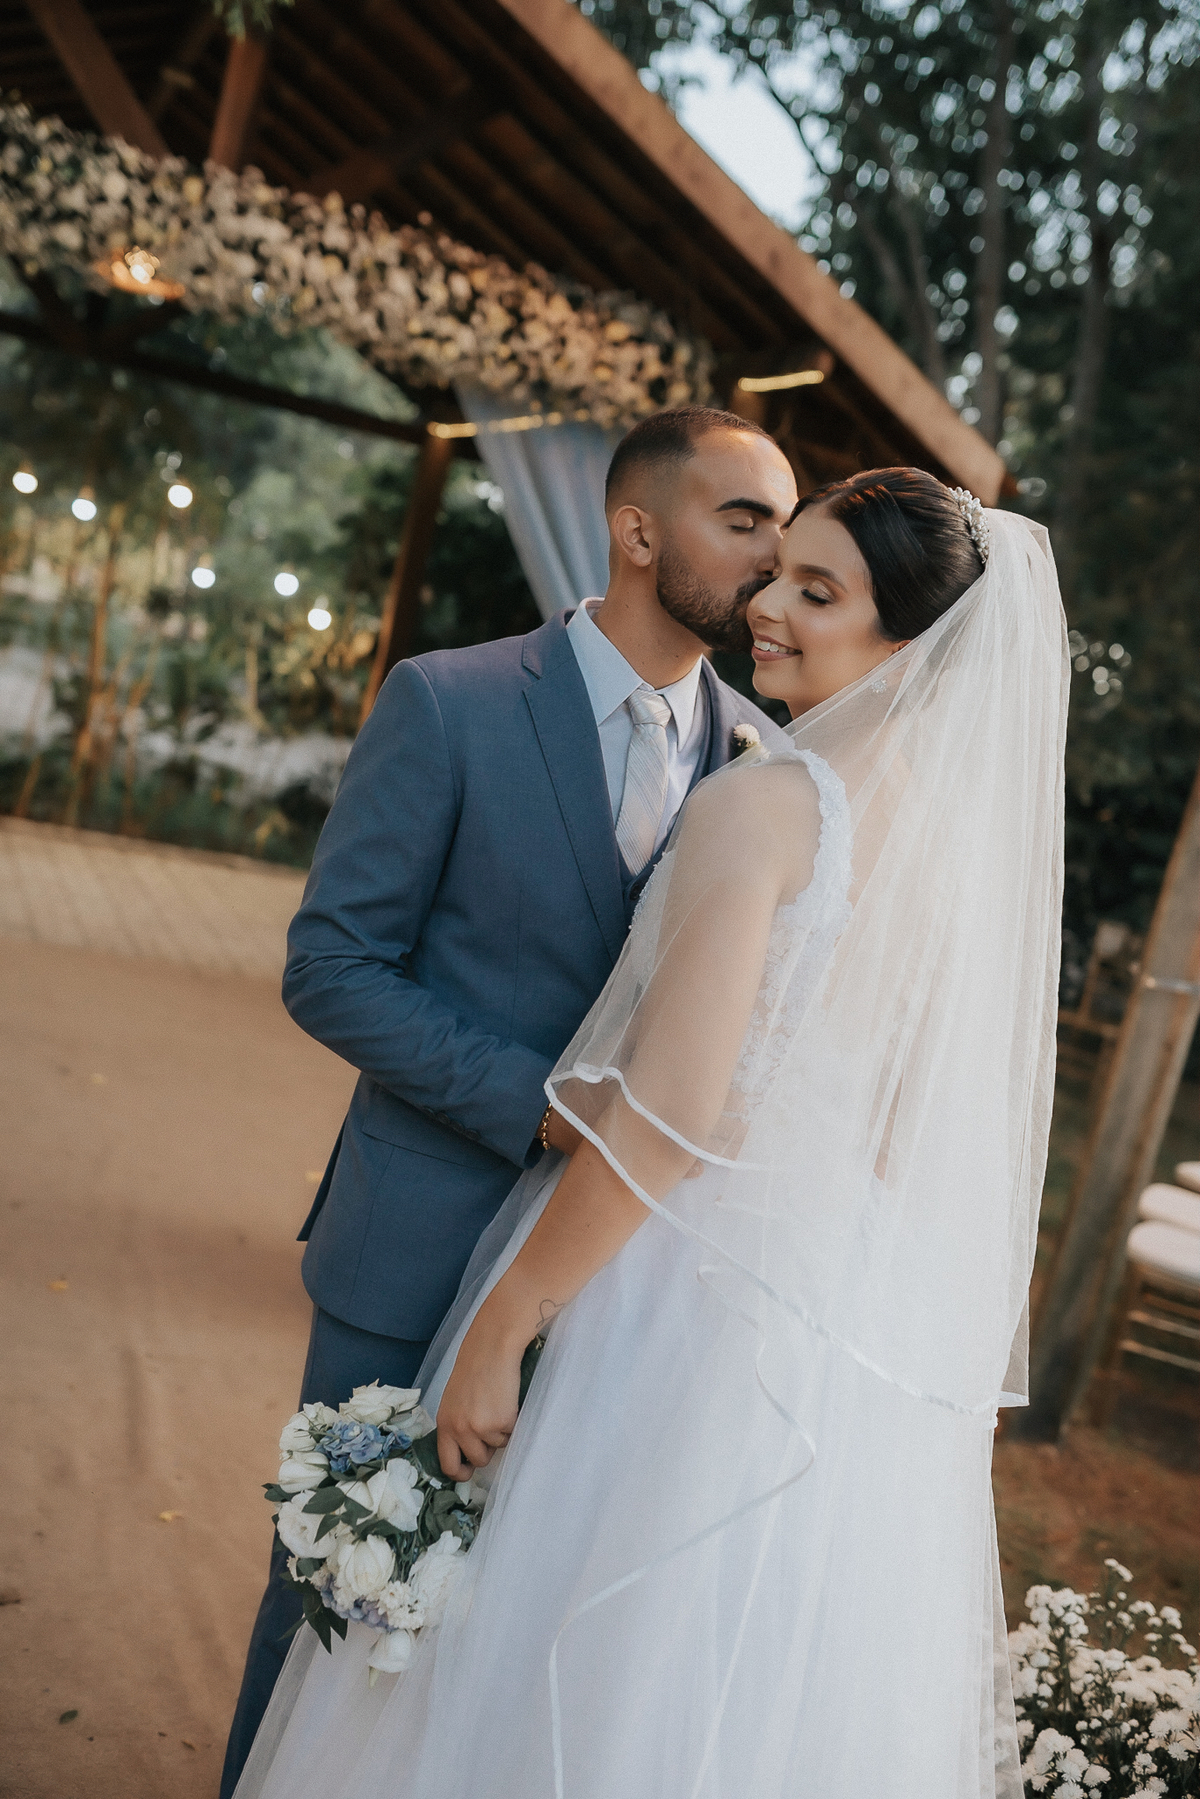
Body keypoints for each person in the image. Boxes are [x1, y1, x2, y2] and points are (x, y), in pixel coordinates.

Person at [233, 469, 1067, 1799]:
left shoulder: (766, 801)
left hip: (670, 1294)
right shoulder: (945, 836)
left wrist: (506, 1321)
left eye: (816, 589)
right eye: (775, 566)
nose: (767, 604)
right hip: (821, 1328)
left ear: (908, 641)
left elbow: (670, 1115)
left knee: (520, 1658)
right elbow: (899, 1136)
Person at [218, 406, 793, 1795]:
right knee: (331, 1594)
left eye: (789, 527)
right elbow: (331, 967)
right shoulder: (451, 701)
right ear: (640, 531)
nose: (777, 558)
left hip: (609, 1283)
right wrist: (543, 1108)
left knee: (501, 1624)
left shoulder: (766, 769)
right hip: (413, 1235)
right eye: (747, 521)